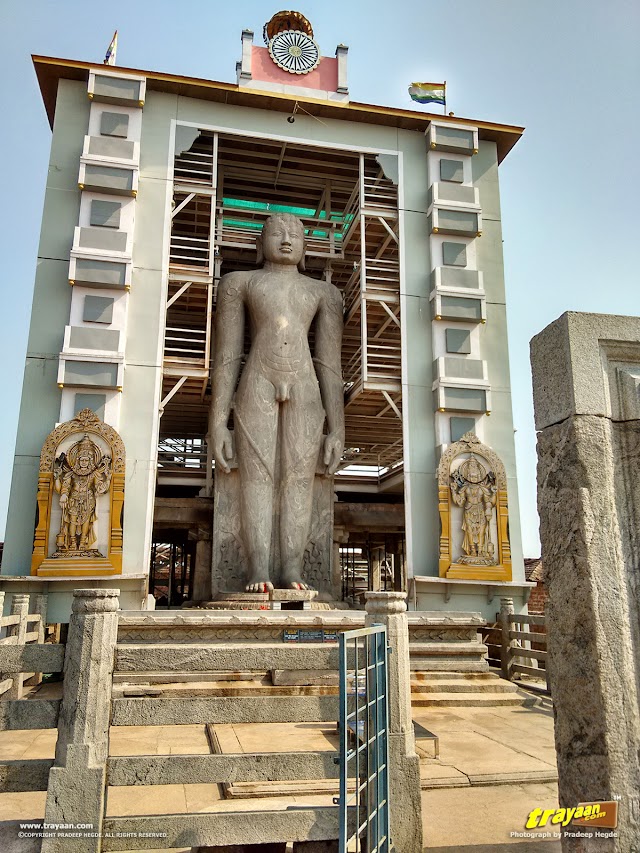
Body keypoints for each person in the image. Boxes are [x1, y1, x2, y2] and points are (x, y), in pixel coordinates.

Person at [211, 213, 344, 592]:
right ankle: (257, 570)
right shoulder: (240, 283)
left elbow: (329, 365)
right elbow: (228, 354)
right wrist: (218, 422)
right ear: (260, 243)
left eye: (296, 234)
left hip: (305, 384)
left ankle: (291, 569)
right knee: (257, 476)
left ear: (305, 248)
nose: (286, 239)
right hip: (257, 380)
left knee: (299, 479)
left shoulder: (323, 293)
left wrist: (338, 429)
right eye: (276, 232)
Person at [53, 435, 112, 553]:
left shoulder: (93, 474)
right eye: (81, 460)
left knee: (86, 521)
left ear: (90, 460)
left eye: (86, 460)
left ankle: (83, 542)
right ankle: (73, 542)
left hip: (88, 500)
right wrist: (64, 494)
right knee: (72, 521)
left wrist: (108, 479)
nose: (84, 462)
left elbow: (100, 488)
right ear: (77, 460)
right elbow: (65, 486)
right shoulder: (71, 473)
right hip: (73, 499)